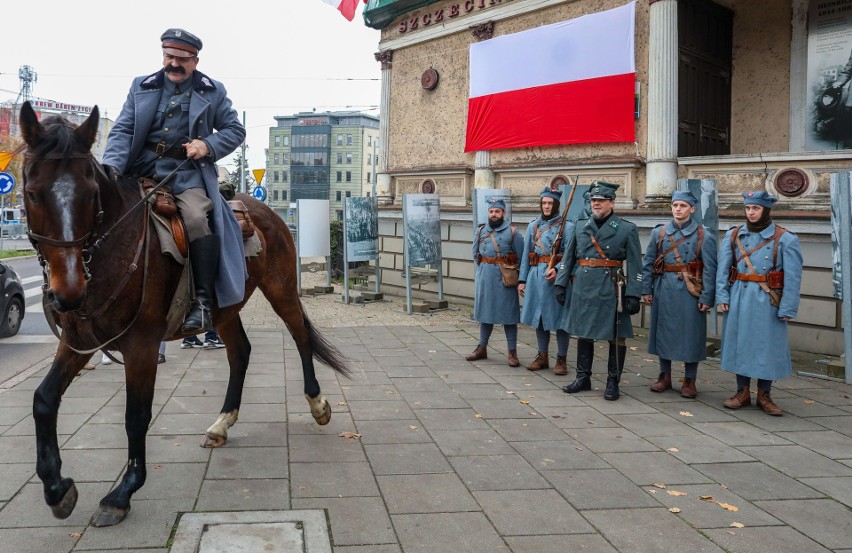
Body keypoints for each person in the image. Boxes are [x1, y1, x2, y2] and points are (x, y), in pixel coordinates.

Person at [103, 28, 247, 335]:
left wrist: (207, 145)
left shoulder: (213, 90)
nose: (174, 65)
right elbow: (123, 131)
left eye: (182, 59)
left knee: (196, 218)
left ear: (195, 60)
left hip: (186, 173)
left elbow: (235, 130)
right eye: (169, 57)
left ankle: (204, 304)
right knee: (104, 214)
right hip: (139, 168)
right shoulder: (140, 86)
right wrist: (111, 170)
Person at [716, 191, 802, 416]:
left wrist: (788, 307)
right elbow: (723, 269)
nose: (751, 213)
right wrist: (722, 297)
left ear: (766, 210)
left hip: (768, 300)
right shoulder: (734, 235)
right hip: (739, 296)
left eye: (756, 208)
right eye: (748, 208)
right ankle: (741, 392)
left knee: (767, 347)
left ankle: (764, 395)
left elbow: (793, 277)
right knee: (740, 344)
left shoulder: (785, 238)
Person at [555, 181, 642, 400]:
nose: (596, 204)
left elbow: (635, 264)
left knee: (616, 336)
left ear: (612, 202)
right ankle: (583, 378)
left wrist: (633, 293)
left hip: (611, 288)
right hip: (584, 287)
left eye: (601, 201)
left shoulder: (625, 228)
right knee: (583, 332)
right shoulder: (580, 225)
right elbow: (568, 257)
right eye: (594, 201)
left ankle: (613, 382)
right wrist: (560, 283)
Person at [640, 191, 717, 398]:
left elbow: (710, 269)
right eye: (675, 205)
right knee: (663, 332)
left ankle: (689, 380)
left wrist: (707, 297)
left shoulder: (704, 236)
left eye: (683, 205)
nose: (678, 209)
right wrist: (646, 289)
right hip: (663, 289)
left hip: (690, 292)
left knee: (691, 335)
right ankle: (664, 375)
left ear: (692, 209)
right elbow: (648, 262)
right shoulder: (660, 233)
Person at [518, 185, 573, 375]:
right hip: (535, 275)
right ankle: (542, 356)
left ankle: (561, 359)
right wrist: (522, 279)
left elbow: (570, 255)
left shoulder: (568, 226)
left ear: (556, 204)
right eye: (544, 203)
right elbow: (526, 254)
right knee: (539, 318)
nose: (547, 206)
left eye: (550, 203)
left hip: (556, 278)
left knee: (560, 319)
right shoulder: (533, 226)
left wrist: (558, 270)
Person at [466, 198, 524, 366]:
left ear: (503, 213)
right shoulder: (481, 231)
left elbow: (521, 258)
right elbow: (475, 253)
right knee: (485, 313)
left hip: (505, 278)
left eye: (497, 211)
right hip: (485, 276)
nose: (494, 215)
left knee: (509, 316)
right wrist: (486, 268)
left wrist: (519, 279)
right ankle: (482, 348)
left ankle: (512, 353)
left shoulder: (513, 233)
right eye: (491, 212)